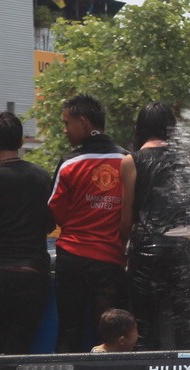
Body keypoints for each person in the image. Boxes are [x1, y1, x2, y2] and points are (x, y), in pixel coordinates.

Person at [120, 102, 190, 350]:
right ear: (170, 129)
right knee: (188, 331)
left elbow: (125, 218)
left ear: (140, 128)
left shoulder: (131, 161)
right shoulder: (183, 161)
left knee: (145, 333)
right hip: (182, 247)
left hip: (147, 250)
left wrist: (124, 251)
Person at [47, 94, 129, 353]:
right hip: (110, 261)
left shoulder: (69, 163)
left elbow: (55, 212)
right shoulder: (127, 161)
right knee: (110, 333)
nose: (65, 130)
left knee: (70, 329)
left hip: (72, 260)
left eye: (67, 123)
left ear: (83, 122)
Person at [0, 111, 55, 355]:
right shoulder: (41, 177)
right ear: (21, 141)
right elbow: (49, 224)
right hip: (34, 271)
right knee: (23, 337)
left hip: (0, 270)